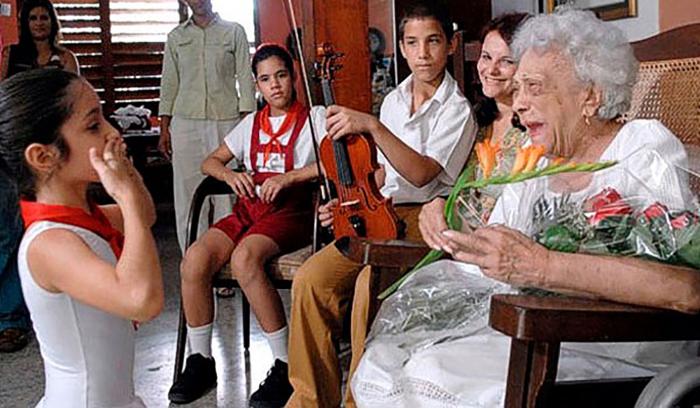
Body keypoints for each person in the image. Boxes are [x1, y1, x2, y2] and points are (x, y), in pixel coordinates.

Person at [352, 9, 700, 407]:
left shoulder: (641, 147)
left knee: (434, 373)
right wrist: (449, 228)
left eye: (533, 87)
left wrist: (544, 267)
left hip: (617, 347)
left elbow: (685, 287)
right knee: (387, 360)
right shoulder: (536, 165)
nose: (518, 104)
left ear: (591, 94)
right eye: (517, 89)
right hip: (542, 332)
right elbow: (495, 259)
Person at [287, 3, 477, 407]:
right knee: (310, 280)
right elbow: (381, 174)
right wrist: (344, 203)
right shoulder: (394, 99)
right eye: (412, 42)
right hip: (377, 212)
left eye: (433, 41)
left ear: (450, 45)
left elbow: (422, 173)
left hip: (423, 220)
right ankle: (308, 400)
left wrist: (373, 125)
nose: (423, 53)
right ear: (403, 49)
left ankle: (360, 399)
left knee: (365, 287)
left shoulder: (457, 110)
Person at [167, 44, 326, 406]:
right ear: (256, 84)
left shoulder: (314, 119)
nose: (275, 86)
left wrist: (289, 177)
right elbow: (210, 162)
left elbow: (333, 165)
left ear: (294, 76)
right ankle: (201, 360)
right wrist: (228, 172)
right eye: (266, 79)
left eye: (281, 76)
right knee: (194, 259)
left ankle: (287, 365)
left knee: (244, 259)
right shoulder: (250, 123)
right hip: (251, 210)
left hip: (293, 211)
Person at [0, 69, 163, 406]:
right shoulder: (49, 243)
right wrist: (125, 196)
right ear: (43, 157)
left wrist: (127, 176)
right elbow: (141, 300)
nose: (112, 132)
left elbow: (144, 217)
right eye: (93, 126)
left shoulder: (84, 218)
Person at [158, 0, 256, 252]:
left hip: (226, 123)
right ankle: (193, 261)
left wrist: (248, 126)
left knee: (226, 195)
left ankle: (223, 261)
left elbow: (246, 78)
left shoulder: (233, 31)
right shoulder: (176, 37)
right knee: (187, 195)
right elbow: (169, 83)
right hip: (185, 124)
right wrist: (164, 127)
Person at [0, 0, 79, 80]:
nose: (39, 23)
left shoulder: (66, 58)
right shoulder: (10, 53)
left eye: (44, 18)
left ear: (52, 22)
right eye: (33, 18)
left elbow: (75, 90)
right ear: (26, 23)